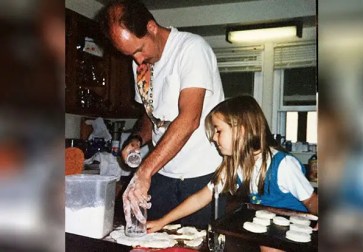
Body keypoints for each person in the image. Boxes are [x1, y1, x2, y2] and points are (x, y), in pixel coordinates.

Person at [98, 0, 224, 228]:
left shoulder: (191, 50)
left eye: (138, 50)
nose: (137, 61)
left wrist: (144, 171)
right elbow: (150, 114)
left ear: (151, 27)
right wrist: (137, 139)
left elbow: (189, 119)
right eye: (130, 55)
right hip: (164, 174)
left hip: (202, 176)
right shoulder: (140, 63)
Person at [147, 95, 318, 252]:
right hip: (268, 233)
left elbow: (311, 199)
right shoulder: (235, 166)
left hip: (294, 237)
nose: (214, 137)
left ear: (241, 130)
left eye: (218, 130)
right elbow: (202, 197)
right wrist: (163, 221)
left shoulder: (283, 166)